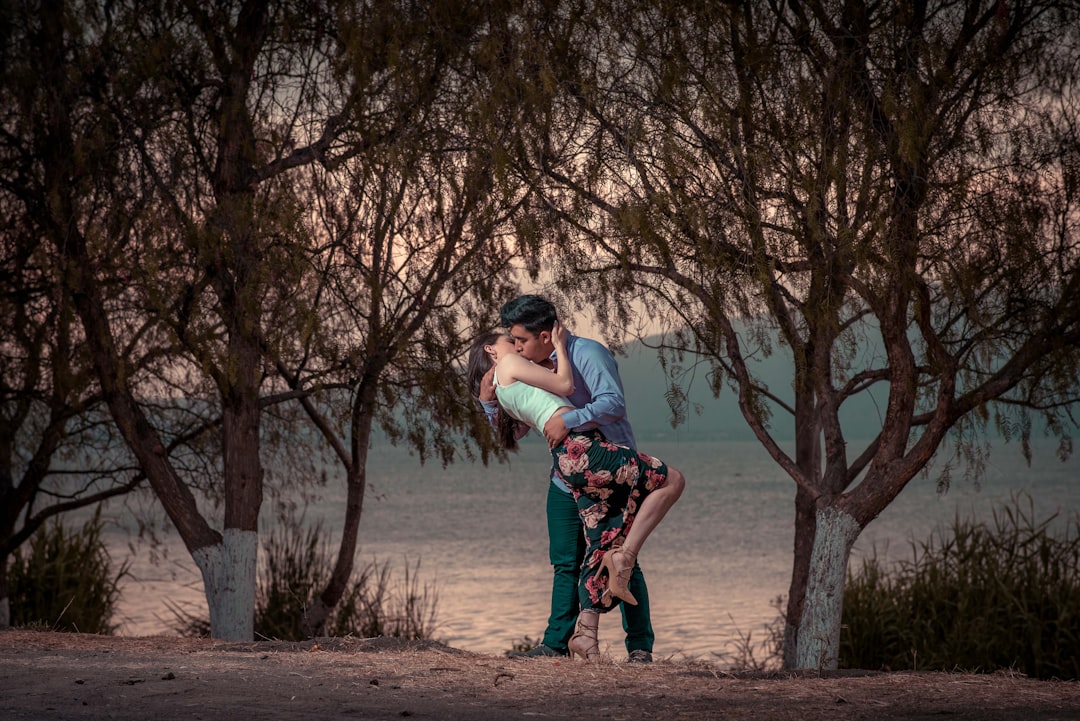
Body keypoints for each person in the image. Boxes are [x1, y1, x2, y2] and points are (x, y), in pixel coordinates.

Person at [467, 321, 685, 661]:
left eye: (520, 339)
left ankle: (638, 648)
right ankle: (557, 644)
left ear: (543, 335)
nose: (518, 346)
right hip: (572, 469)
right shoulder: (522, 368)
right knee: (570, 560)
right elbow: (515, 432)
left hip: (602, 457)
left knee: (618, 554)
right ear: (494, 352)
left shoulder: (585, 353)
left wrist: (566, 419)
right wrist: (487, 402)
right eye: (512, 341)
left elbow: (612, 402)